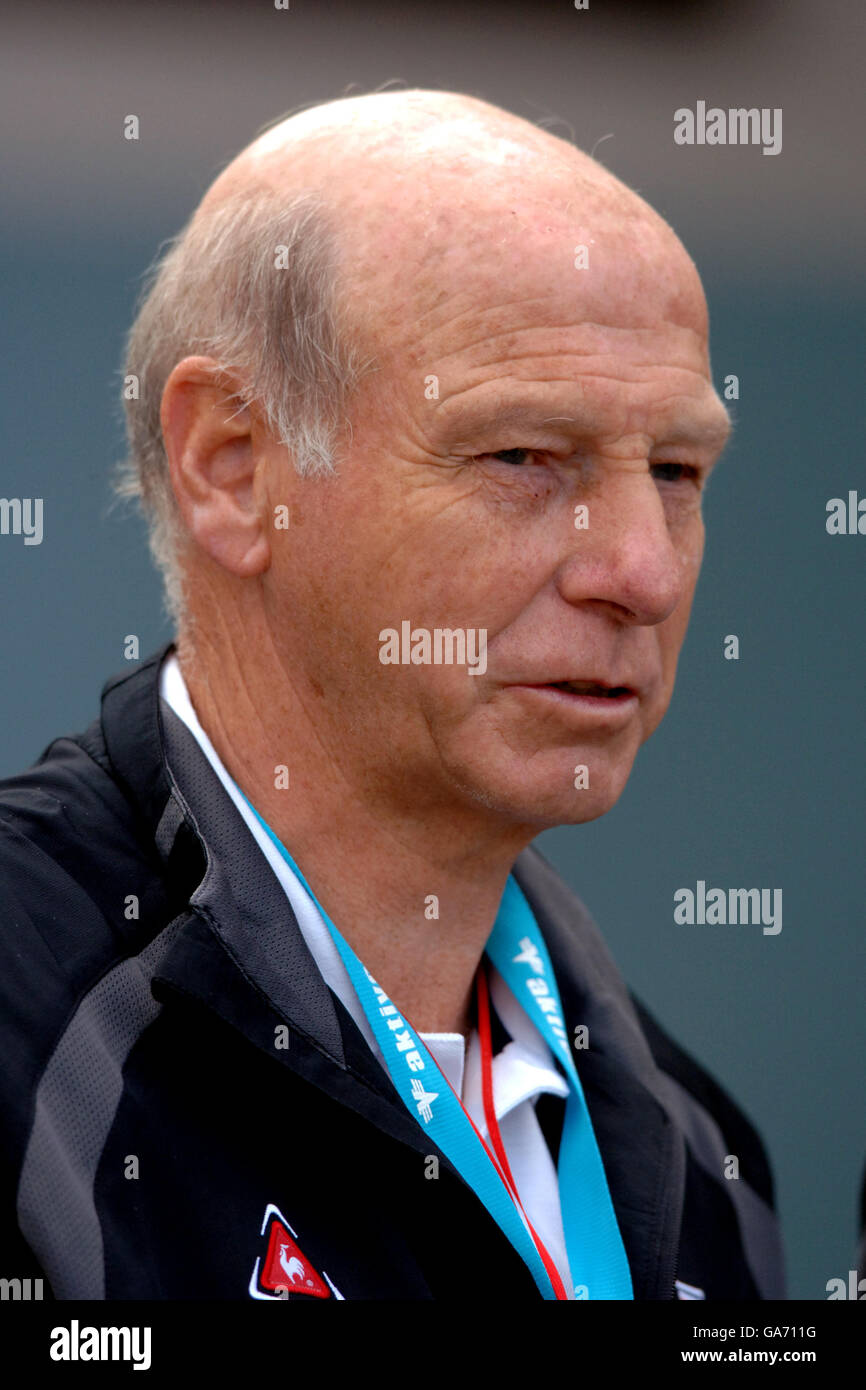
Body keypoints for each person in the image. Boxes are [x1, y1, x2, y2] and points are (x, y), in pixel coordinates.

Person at [0, 89, 784, 1301]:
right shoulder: (28, 1040)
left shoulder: (699, 1163)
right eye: (524, 456)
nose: (642, 568)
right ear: (232, 464)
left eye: (676, 470)